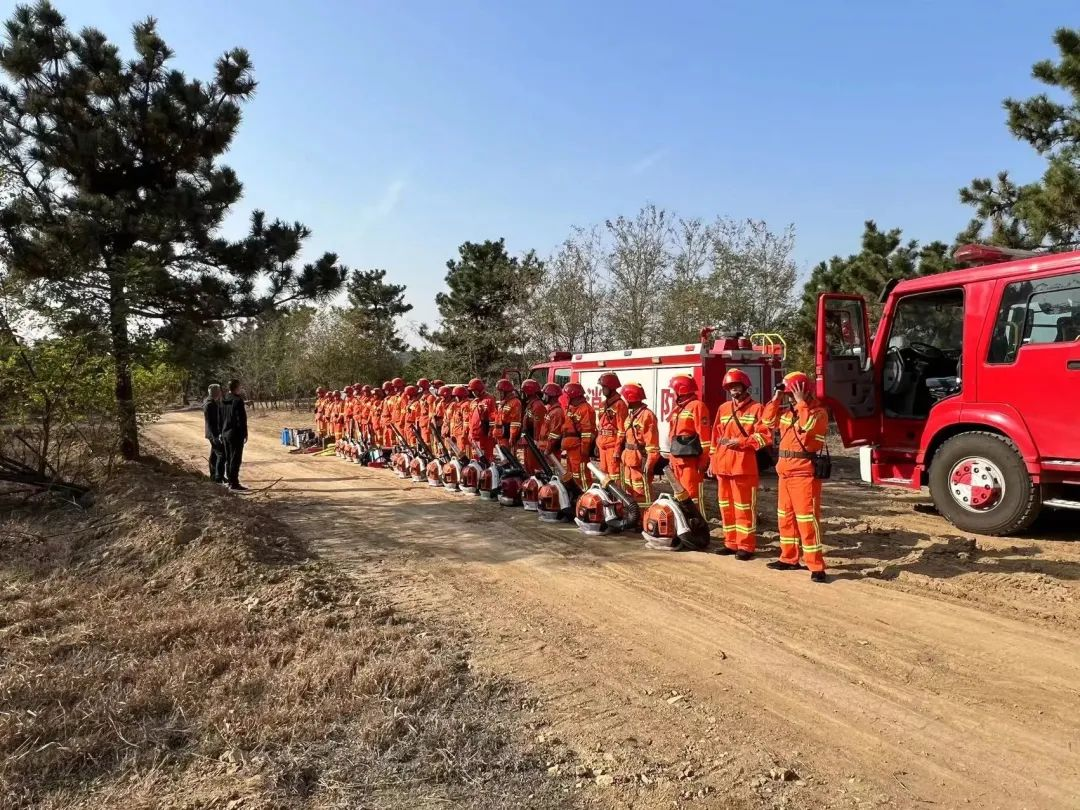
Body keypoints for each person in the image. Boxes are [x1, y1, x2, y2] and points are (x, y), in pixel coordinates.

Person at [763, 371, 829, 583]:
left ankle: (816, 565)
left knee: (807, 520)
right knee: (786, 517)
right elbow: (766, 421)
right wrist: (775, 399)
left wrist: (801, 402)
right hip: (785, 472)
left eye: (792, 393)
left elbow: (806, 427)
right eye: (789, 394)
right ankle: (789, 557)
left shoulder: (818, 413)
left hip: (804, 473)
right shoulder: (787, 413)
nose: (790, 397)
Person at [710, 369, 771, 560]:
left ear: (745, 387)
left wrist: (743, 442)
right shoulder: (724, 408)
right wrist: (712, 461)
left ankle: (746, 545)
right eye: (730, 388)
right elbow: (715, 437)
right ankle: (730, 543)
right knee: (725, 507)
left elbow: (765, 437)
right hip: (723, 465)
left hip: (743, 466)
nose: (733, 391)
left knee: (743, 507)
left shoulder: (757, 408)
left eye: (736, 386)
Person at [665, 374, 712, 547]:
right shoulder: (679, 409)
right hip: (677, 461)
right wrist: (671, 457)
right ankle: (683, 529)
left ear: (681, 390)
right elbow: (673, 437)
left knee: (691, 498)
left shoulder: (697, 407)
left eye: (674, 390)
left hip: (691, 463)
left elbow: (705, 436)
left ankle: (696, 532)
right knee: (679, 497)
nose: (672, 393)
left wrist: (704, 460)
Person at [618, 383, 660, 507]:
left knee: (641, 491)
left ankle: (644, 518)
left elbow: (652, 443)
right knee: (628, 489)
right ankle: (632, 516)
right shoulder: (632, 415)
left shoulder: (647, 416)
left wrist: (649, 463)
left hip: (639, 460)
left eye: (626, 398)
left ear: (631, 398)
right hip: (628, 459)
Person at [561, 382, 595, 488]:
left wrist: (584, 449)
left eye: (567, 395)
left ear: (573, 395)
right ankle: (575, 494)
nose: (566, 397)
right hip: (571, 448)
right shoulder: (572, 407)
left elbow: (587, 432)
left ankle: (585, 493)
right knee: (572, 473)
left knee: (581, 473)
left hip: (579, 448)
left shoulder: (585, 409)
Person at [595, 372, 628, 477]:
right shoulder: (603, 404)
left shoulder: (620, 405)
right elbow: (600, 426)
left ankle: (616, 493)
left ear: (611, 387)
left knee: (614, 474)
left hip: (612, 446)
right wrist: (597, 443)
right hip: (602, 445)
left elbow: (622, 430)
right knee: (603, 473)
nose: (602, 389)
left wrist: (618, 450)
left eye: (604, 387)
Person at [221, 378, 249, 492]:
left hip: (225, 433)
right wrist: (244, 433)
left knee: (228, 458)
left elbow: (220, 417)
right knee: (236, 459)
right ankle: (234, 483)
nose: (241, 388)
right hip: (236, 434)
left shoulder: (224, 399)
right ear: (236, 387)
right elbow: (241, 420)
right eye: (240, 386)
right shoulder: (238, 400)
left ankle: (230, 481)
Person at [520, 379, 547, 473]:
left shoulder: (537, 405)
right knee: (528, 465)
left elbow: (538, 425)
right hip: (528, 439)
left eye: (524, 392)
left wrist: (536, 440)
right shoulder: (530, 404)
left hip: (533, 441)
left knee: (533, 466)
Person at [467, 378, 497, 461]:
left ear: (480, 389)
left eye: (474, 391)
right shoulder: (473, 402)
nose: (473, 393)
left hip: (485, 436)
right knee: (476, 458)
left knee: (486, 458)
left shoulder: (489, 400)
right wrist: (470, 433)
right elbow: (470, 419)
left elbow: (493, 417)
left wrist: (491, 431)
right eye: (472, 391)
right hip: (474, 436)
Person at [203, 383, 225, 483]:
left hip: (214, 433)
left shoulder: (213, 402)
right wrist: (216, 436)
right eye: (219, 391)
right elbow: (210, 422)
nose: (220, 392)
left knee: (214, 455)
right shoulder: (209, 404)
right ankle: (218, 477)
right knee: (221, 454)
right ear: (216, 392)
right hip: (213, 434)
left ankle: (215, 475)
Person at [493, 378, 522, 454]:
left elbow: (515, 422)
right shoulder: (503, 402)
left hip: (507, 436)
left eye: (501, 392)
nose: (499, 394)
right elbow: (498, 418)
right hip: (501, 435)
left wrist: (512, 437)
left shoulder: (515, 402)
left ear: (506, 392)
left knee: (509, 457)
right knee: (503, 457)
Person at [539, 383, 565, 456]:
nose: (544, 397)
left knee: (552, 467)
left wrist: (548, 449)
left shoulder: (557, 412)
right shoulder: (551, 410)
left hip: (551, 452)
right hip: (545, 448)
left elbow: (555, 434)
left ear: (551, 396)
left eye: (545, 395)